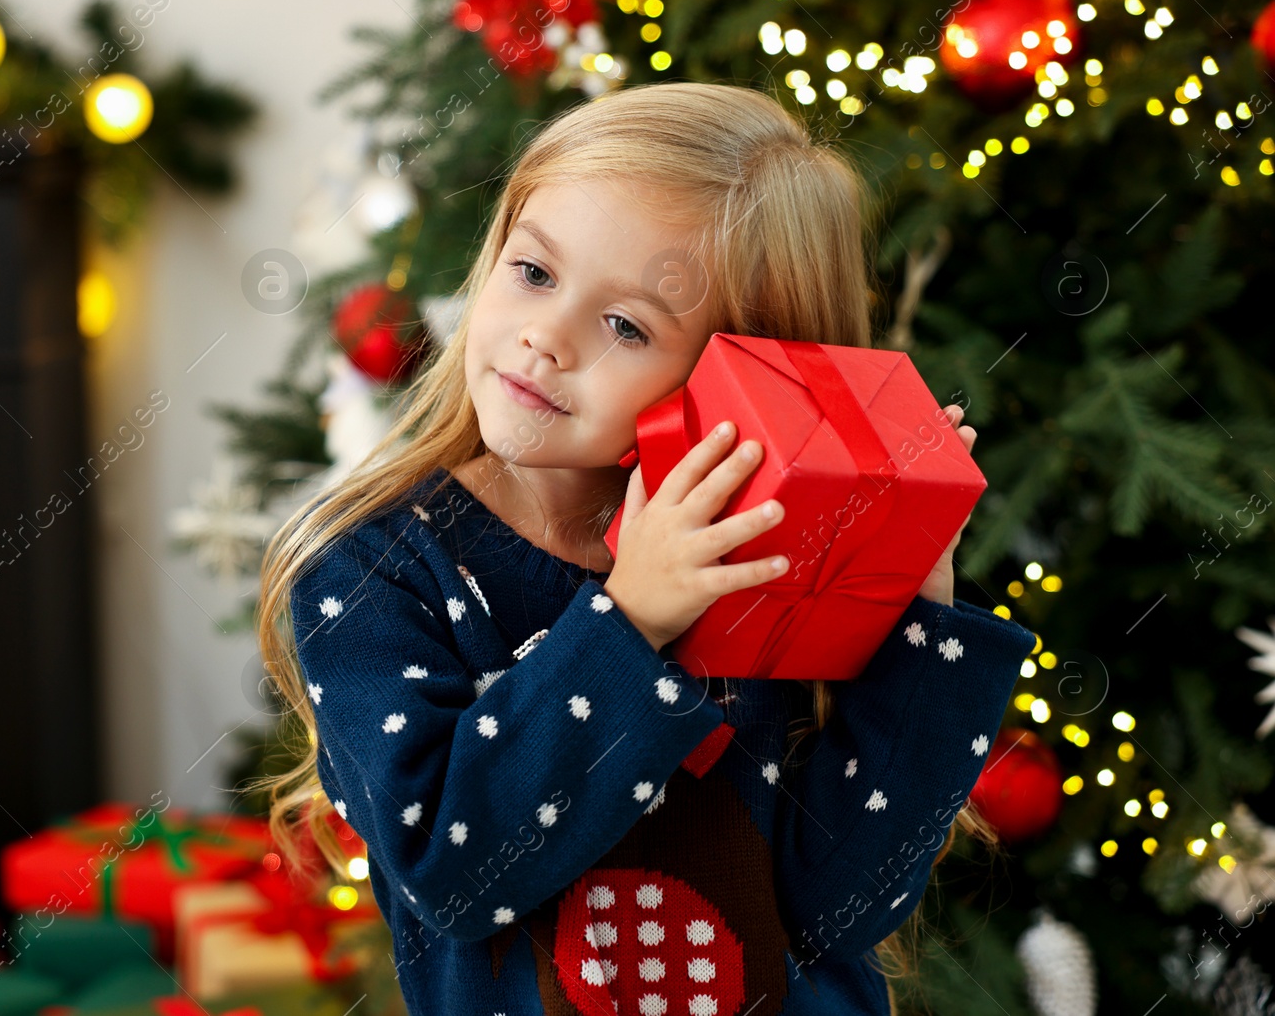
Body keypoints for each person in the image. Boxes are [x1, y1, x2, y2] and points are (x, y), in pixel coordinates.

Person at [252, 81, 1038, 1015]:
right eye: (534, 272)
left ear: (740, 376)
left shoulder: (744, 552)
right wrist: (629, 624)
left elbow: (838, 907)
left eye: (625, 326)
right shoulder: (374, 570)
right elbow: (452, 869)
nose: (545, 338)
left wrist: (919, 627)